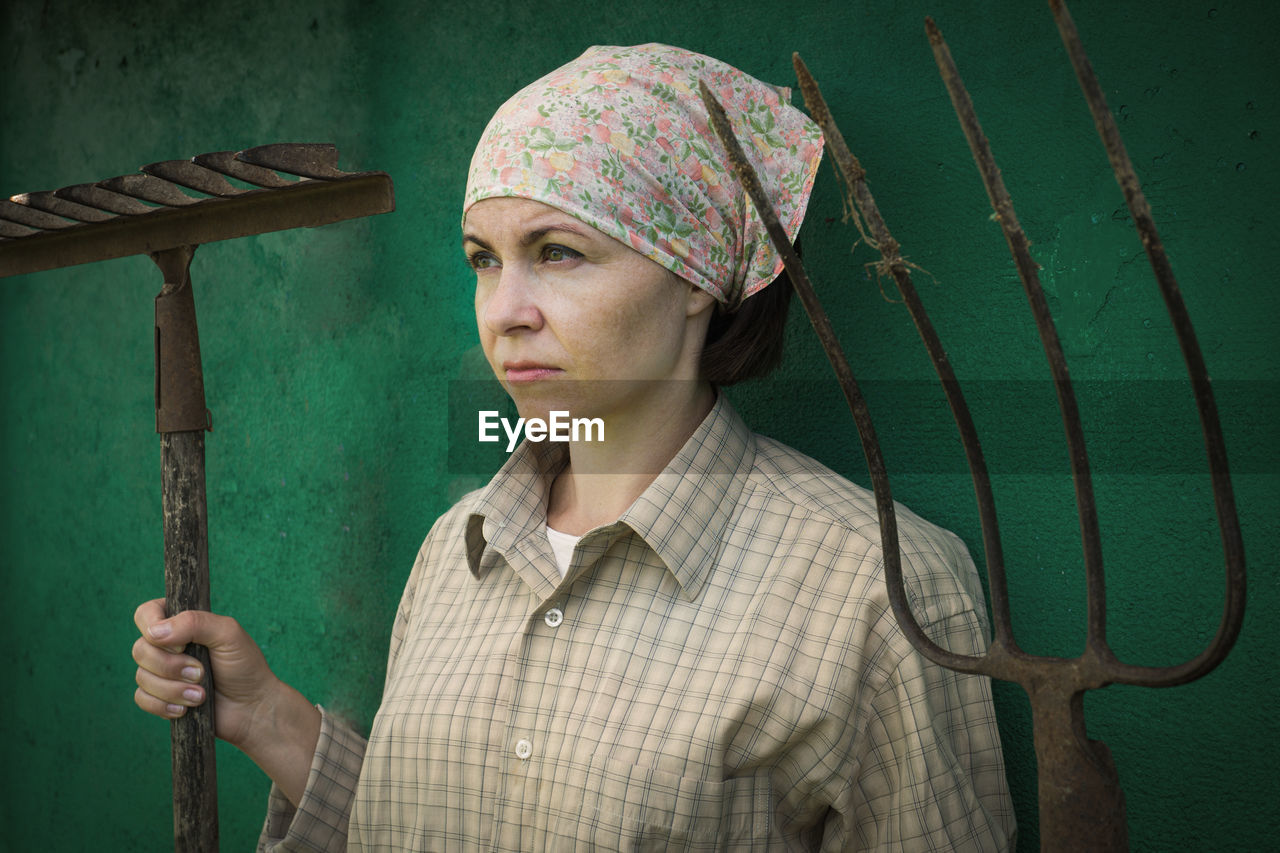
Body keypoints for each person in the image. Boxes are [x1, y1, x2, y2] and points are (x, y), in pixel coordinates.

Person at [132, 43, 1015, 850]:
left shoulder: (875, 586)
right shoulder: (458, 548)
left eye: (557, 253)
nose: (505, 310)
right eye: (484, 258)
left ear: (698, 278)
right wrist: (269, 720)